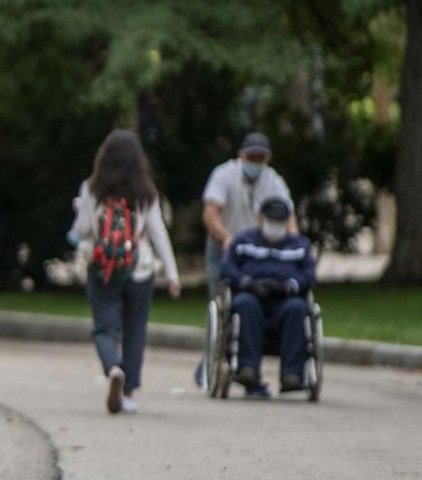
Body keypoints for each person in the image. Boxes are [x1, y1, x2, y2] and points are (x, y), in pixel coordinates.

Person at [68, 130, 181, 415]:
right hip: (140, 267)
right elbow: (158, 233)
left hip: (103, 267)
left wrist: (79, 214)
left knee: (105, 327)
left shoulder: (92, 189)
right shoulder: (146, 192)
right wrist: (173, 274)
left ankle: (113, 367)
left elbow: (81, 230)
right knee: (135, 329)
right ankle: (128, 392)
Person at [221, 196, 316, 397]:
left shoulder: (300, 246)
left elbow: (309, 274)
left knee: (298, 308)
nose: (275, 226)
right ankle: (248, 368)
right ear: (261, 218)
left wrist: (288, 286)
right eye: (272, 221)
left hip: (285, 298)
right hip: (252, 295)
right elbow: (227, 268)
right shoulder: (242, 241)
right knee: (246, 305)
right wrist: (247, 283)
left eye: (280, 222)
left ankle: (292, 374)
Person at [200, 132, 292, 295]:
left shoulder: (274, 181)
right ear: (241, 155)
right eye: (252, 157)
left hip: (255, 248)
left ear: (267, 159)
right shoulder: (223, 174)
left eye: (260, 158)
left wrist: (294, 243)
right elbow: (210, 213)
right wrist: (226, 237)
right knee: (220, 293)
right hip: (224, 245)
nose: (255, 162)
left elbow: (289, 216)